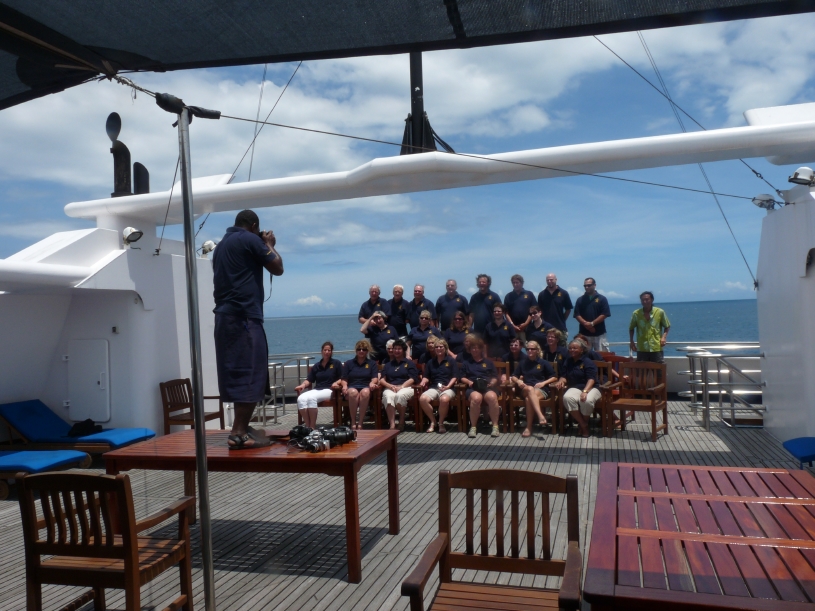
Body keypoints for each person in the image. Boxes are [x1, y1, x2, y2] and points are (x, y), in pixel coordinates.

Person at [212, 209, 284, 450]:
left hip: (224, 318)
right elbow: (277, 267)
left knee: (238, 372)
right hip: (244, 317)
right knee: (253, 372)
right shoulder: (250, 239)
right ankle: (238, 433)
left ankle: (241, 426)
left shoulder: (221, 246)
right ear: (253, 226)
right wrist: (269, 244)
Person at [555, 338, 601, 438]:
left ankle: (583, 425)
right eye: (570, 348)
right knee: (567, 397)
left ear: (581, 350)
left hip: (591, 387)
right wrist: (561, 381)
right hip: (575, 387)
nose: (572, 350)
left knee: (586, 400)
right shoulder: (568, 361)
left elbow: (591, 379)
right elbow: (564, 376)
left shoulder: (587, 362)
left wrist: (585, 391)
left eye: (575, 348)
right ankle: (583, 424)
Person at [511, 341, 557, 437]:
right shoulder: (523, 363)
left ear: (537, 350)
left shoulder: (543, 363)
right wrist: (518, 381)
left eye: (532, 349)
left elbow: (554, 377)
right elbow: (514, 376)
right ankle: (540, 415)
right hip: (526, 388)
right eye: (528, 349)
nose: (529, 351)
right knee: (530, 389)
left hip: (541, 389)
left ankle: (529, 427)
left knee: (529, 399)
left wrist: (543, 383)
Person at [459, 337, 501, 438]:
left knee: (492, 397)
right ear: (469, 350)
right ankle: (473, 427)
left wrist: (492, 382)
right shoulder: (466, 363)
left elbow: (495, 377)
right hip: (473, 387)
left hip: (487, 387)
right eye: (472, 348)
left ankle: (495, 426)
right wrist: (469, 382)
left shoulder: (488, 363)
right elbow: (462, 377)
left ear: (481, 349)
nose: (475, 350)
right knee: (476, 398)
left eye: (477, 348)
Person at [294, 341, 342, 428]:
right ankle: (308, 426)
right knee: (301, 398)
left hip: (330, 389)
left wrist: (337, 382)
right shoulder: (317, 365)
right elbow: (309, 380)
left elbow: (343, 378)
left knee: (311, 398)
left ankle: (312, 427)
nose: (327, 352)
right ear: (321, 351)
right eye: (325, 350)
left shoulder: (336, 363)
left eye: (329, 350)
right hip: (317, 389)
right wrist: (303, 385)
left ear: (331, 352)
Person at [418, 339, 458, 434]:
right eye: (436, 347)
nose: (438, 348)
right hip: (434, 387)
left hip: (448, 387)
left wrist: (448, 386)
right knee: (423, 399)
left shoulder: (451, 361)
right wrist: (423, 381)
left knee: (444, 399)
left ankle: (441, 423)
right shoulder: (430, 362)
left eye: (441, 347)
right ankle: (433, 421)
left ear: (445, 348)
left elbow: (455, 376)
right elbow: (426, 377)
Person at [380, 339, 419, 430]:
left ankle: (401, 421)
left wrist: (401, 387)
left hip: (406, 387)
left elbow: (413, 378)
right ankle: (392, 424)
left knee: (400, 396)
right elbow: (382, 380)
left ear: (403, 350)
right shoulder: (388, 365)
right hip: (391, 387)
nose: (396, 351)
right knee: (388, 396)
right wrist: (390, 386)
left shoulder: (409, 363)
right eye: (395, 349)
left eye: (399, 349)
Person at [341, 339, 379, 430]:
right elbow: (344, 378)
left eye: (364, 349)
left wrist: (372, 382)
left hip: (366, 387)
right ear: (356, 350)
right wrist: (344, 385)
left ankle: (361, 422)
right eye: (359, 349)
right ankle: (353, 422)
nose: (361, 351)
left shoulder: (372, 363)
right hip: (352, 387)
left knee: (365, 392)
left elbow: (375, 377)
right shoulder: (349, 363)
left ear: (367, 351)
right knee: (353, 392)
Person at [629, 291, 671, 363]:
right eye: (642, 300)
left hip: (656, 347)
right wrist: (631, 341)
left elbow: (667, 326)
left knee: (658, 369)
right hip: (642, 348)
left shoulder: (659, 312)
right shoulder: (636, 314)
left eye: (647, 299)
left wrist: (664, 337)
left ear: (652, 300)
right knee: (642, 369)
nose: (644, 301)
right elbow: (631, 328)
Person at [573, 277, 611, 352]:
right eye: (585, 286)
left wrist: (592, 323)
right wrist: (587, 325)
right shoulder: (580, 300)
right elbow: (577, 314)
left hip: (599, 333)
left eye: (589, 285)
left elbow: (605, 313)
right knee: (584, 355)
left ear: (594, 285)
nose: (586, 287)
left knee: (602, 355)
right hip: (584, 334)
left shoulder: (602, 299)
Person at [504, 274, 537, 341]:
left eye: (517, 282)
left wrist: (526, 324)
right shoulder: (508, 296)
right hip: (513, 329)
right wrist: (512, 325)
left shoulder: (529, 294)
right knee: (513, 346)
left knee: (528, 346)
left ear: (522, 283)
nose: (515, 284)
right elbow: (506, 313)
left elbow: (533, 310)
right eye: (513, 283)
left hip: (527, 328)